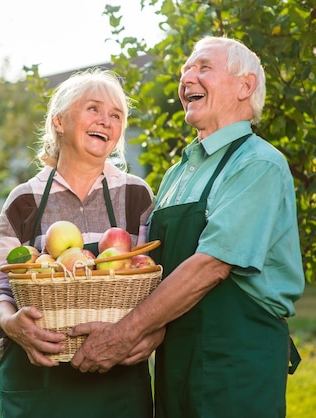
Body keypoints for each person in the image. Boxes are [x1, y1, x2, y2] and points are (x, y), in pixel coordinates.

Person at [69, 37, 305, 417]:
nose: (187, 79)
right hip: (176, 355)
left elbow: (211, 266)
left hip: (235, 360)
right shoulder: (178, 173)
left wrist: (123, 334)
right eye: (185, 71)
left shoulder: (257, 163)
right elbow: (150, 266)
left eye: (203, 68)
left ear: (245, 86)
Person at [0, 68, 163, 417]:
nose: (106, 120)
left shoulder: (135, 194)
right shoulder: (25, 199)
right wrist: (12, 323)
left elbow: (154, 281)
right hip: (39, 386)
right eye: (94, 109)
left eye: (116, 115)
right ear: (59, 121)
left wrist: (154, 334)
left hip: (116, 385)